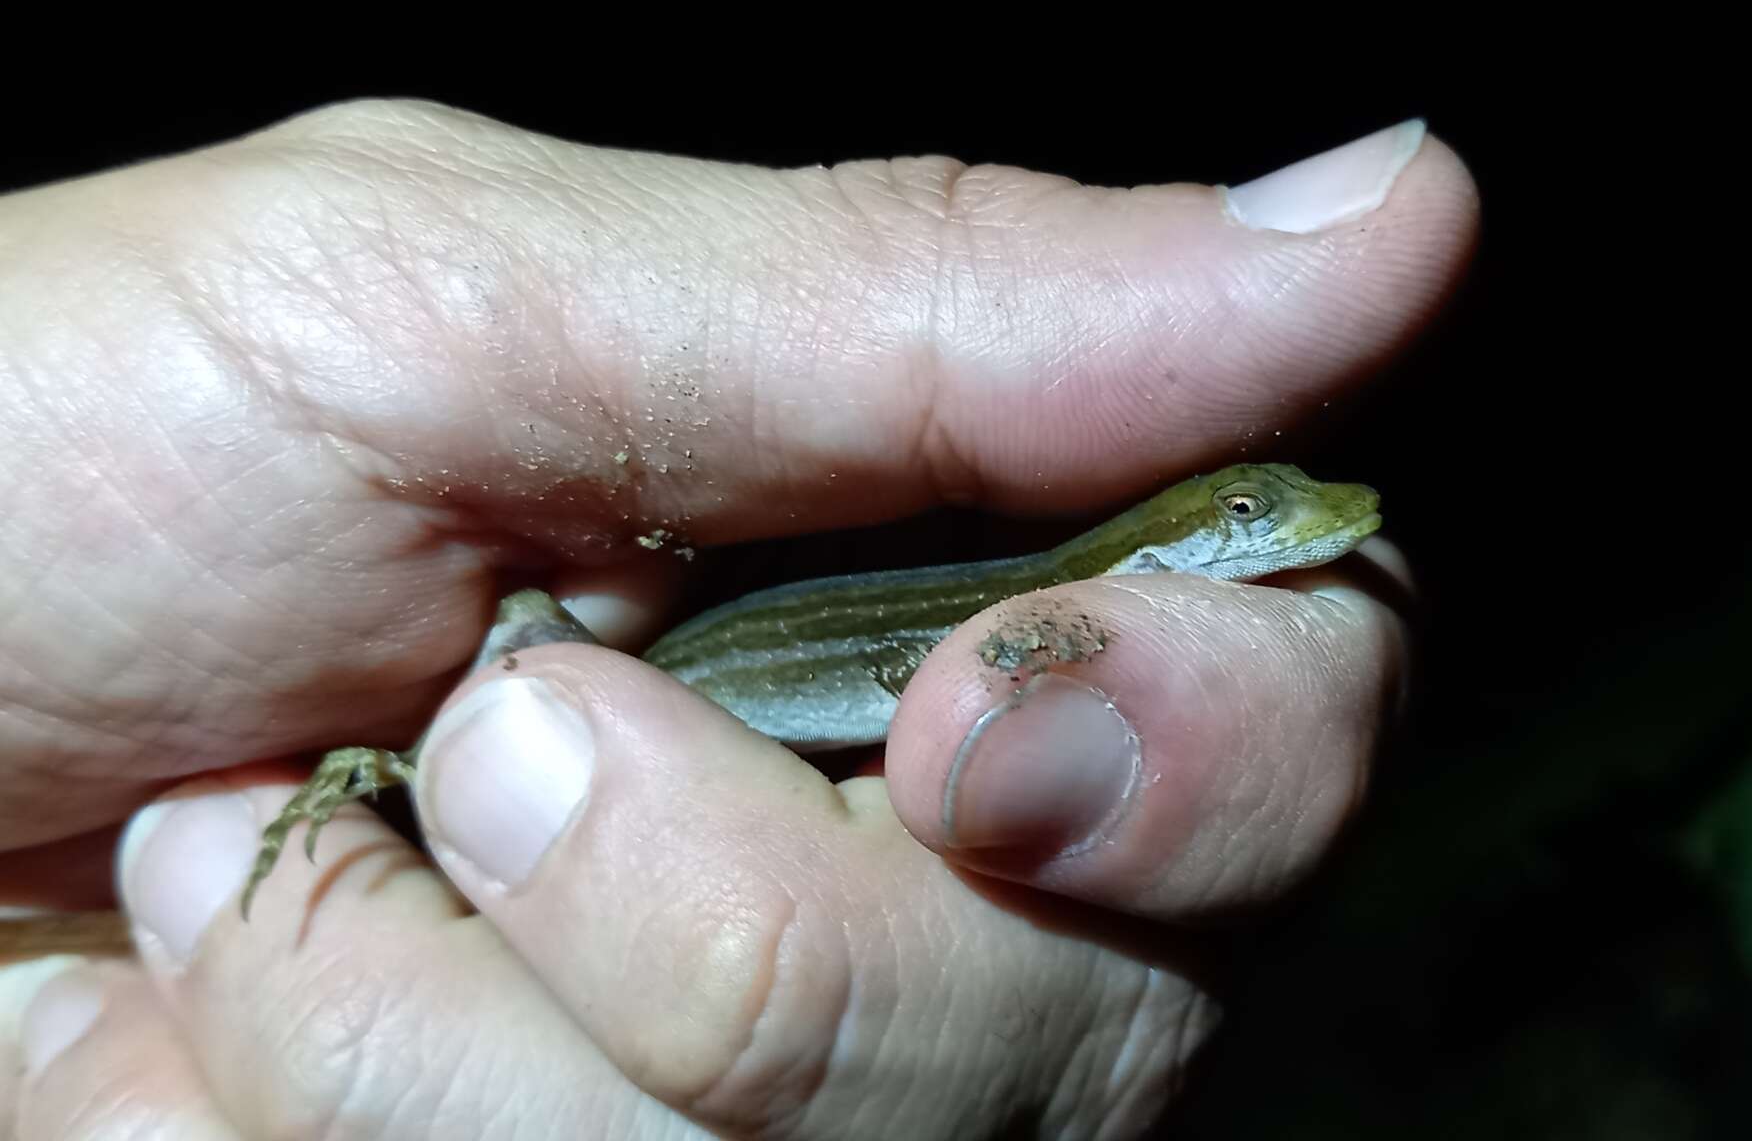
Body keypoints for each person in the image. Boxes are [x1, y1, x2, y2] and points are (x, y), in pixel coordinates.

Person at [0, 100, 1476, 1139]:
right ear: (1169, 545)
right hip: (642, 692)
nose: (1294, 527)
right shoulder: (1030, 619)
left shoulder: (1046, 612)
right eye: (1239, 516)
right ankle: (358, 793)